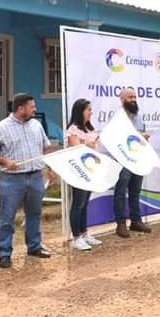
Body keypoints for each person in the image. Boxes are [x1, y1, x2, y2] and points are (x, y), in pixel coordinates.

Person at [0, 93, 53, 269]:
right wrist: (5, 161)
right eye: (32, 107)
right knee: (7, 217)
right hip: (11, 179)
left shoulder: (36, 125)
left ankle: (34, 247)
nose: (35, 109)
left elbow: (45, 148)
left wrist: (51, 168)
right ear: (20, 108)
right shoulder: (0, 128)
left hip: (36, 175)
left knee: (34, 214)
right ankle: (4, 253)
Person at [110, 89, 152, 238]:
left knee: (135, 191)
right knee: (120, 192)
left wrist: (144, 138)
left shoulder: (139, 117)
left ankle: (136, 221)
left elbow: (141, 138)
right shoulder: (117, 118)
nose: (133, 99)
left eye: (134, 96)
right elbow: (116, 138)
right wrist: (139, 136)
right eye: (130, 97)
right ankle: (120, 224)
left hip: (138, 160)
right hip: (123, 161)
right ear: (122, 100)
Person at [66, 98, 103, 251]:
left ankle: (84, 233)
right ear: (80, 111)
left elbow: (94, 149)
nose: (91, 112)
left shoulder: (90, 129)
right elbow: (77, 150)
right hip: (78, 172)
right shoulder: (73, 130)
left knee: (85, 203)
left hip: (90, 171)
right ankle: (76, 238)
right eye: (88, 110)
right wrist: (88, 145)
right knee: (78, 204)